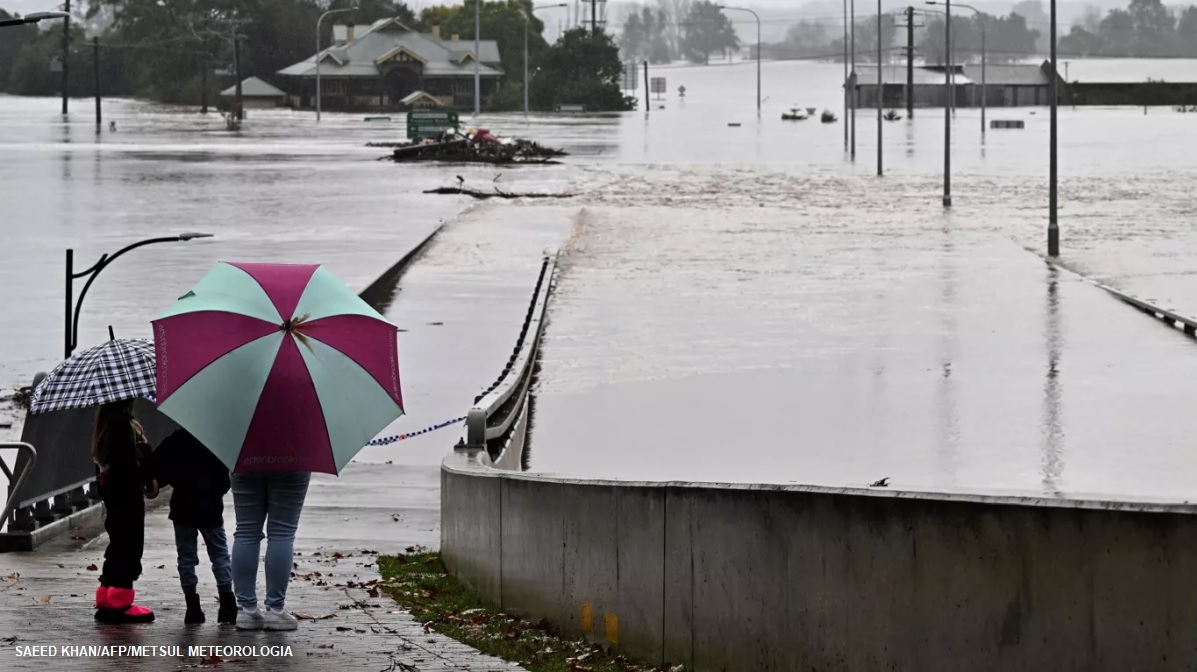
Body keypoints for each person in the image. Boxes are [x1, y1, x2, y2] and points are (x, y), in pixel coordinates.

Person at [154, 428, 235, 625]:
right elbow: (225, 480)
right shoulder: (216, 439)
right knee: (220, 554)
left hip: (182, 506)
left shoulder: (176, 439)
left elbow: (159, 472)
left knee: (186, 557)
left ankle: (192, 607)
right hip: (210, 507)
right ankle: (227, 603)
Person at [92, 399, 157, 624]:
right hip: (127, 497)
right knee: (130, 546)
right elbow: (132, 468)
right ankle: (120, 601)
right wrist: (145, 457)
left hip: (112, 496)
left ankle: (107, 596)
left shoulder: (104, 428)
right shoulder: (124, 429)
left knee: (117, 544)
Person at [231, 471, 311, 631]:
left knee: (246, 532)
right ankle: (275, 610)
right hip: (292, 461)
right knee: (282, 532)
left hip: (247, 460)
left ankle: (246, 609)